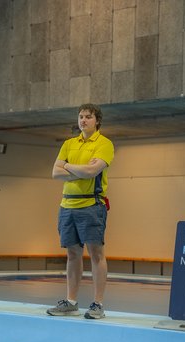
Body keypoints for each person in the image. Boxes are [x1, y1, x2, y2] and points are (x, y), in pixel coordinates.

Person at [47, 103, 114, 319]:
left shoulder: (104, 144)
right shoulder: (68, 144)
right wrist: (79, 171)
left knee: (96, 253)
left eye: (88, 117)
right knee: (72, 254)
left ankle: (98, 304)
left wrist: (67, 166)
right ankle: (71, 302)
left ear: (97, 121)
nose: (83, 120)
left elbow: (93, 171)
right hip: (67, 205)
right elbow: (55, 173)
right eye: (81, 117)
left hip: (91, 205)